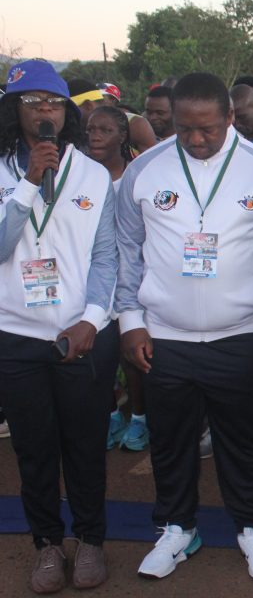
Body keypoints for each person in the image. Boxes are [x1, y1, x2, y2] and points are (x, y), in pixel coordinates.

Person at [115, 72, 253, 581]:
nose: (195, 139)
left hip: (242, 332)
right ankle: (177, 527)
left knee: (244, 439)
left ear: (230, 117)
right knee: (170, 440)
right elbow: (126, 250)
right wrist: (130, 321)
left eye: (208, 129)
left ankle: (252, 527)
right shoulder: (144, 171)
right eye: (184, 128)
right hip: (164, 334)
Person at [0, 59, 118, 593]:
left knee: (86, 445)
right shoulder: (8, 171)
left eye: (53, 102)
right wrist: (28, 183)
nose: (45, 110)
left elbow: (107, 258)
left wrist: (91, 320)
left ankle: (90, 539)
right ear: (14, 109)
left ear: (67, 112)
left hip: (81, 335)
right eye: (33, 102)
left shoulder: (93, 174)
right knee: (34, 449)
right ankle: (47, 543)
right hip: (15, 335)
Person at [86, 105, 151, 452]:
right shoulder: (80, 176)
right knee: (98, 355)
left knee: (132, 355)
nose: (95, 137)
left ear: (122, 135)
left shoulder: (136, 175)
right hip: (94, 278)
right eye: (91, 130)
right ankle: (111, 412)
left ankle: (140, 417)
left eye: (105, 130)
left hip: (131, 277)